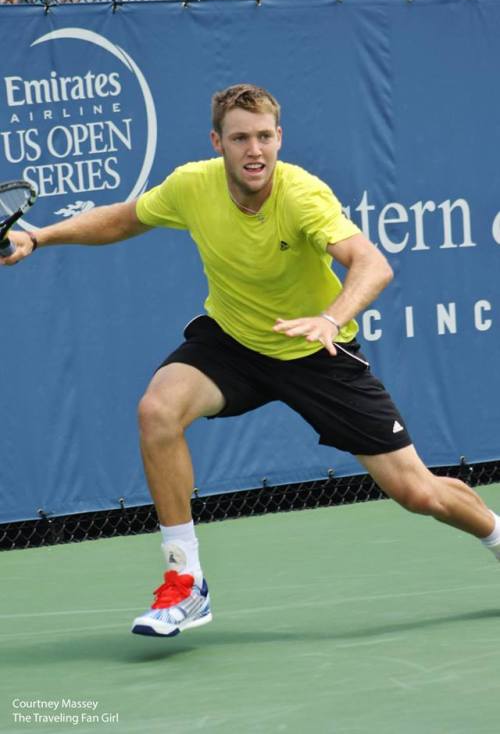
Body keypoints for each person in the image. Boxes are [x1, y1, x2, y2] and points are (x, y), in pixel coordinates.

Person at [2, 84, 499, 638]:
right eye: (240, 138)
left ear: (279, 138)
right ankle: (186, 582)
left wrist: (329, 319)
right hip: (233, 342)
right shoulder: (193, 186)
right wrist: (39, 238)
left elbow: (372, 264)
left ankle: (496, 535)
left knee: (418, 492)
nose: (254, 149)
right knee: (156, 412)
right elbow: (125, 218)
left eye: (264, 136)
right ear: (218, 142)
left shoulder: (303, 194)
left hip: (315, 351)